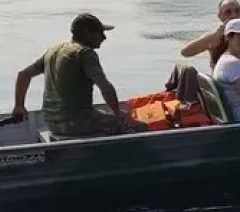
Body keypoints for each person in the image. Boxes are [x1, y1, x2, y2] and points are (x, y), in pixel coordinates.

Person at [13, 13, 146, 138]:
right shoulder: (85, 53)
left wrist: (19, 106)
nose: (104, 38)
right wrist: (118, 114)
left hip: (51, 122)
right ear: (87, 33)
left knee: (101, 115)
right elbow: (104, 86)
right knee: (138, 126)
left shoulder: (54, 50)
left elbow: (23, 75)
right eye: (100, 33)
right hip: (76, 124)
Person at [180, 0, 240, 72]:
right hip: (221, 88)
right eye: (228, 12)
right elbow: (185, 52)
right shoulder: (214, 37)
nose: (233, 15)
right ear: (220, 17)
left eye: (237, 11)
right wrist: (216, 35)